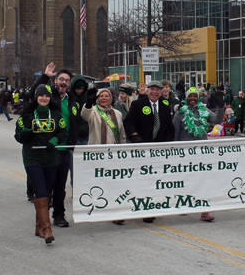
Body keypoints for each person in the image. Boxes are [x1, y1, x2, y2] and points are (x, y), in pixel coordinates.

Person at [15, 84, 67, 244]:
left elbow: (63, 132)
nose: (44, 98)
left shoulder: (56, 114)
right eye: (41, 96)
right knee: (40, 190)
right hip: (33, 157)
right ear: (36, 97)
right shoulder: (27, 116)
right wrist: (26, 130)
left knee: (47, 190)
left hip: (51, 157)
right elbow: (18, 138)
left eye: (46, 96)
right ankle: (47, 229)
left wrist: (55, 139)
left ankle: (39, 226)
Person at [30, 63, 80, 227]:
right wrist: (44, 77)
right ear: (56, 81)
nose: (63, 83)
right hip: (48, 148)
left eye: (67, 80)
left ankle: (59, 215)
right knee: (46, 186)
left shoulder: (72, 101)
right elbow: (33, 94)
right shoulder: (49, 97)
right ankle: (42, 219)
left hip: (64, 149)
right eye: (61, 79)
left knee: (60, 186)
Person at [123, 80, 174, 223]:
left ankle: (151, 208)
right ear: (148, 90)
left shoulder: (164, 106)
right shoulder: (138, 104)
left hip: (158, 151)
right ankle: (141, 206)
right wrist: (135, 137)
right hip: (142, 149)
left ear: (161, 91)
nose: (154, 92)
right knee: (142, 180)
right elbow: (128, 122)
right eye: (152, 89)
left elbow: (169, 127)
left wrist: (167, 144)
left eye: (157, 89)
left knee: (155, 181)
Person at [173, 87, 224, 221]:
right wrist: (174, 152)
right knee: (186, 180)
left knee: (203, 180)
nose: (193, 99)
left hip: (202, 152)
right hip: (185, 153)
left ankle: (204, 210)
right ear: (186, 98)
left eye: (195, 96)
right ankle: (184, 204)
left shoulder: (204, 110)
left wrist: (220, 106)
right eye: (190, 96)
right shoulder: (180, 113)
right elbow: (175, 134)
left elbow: (218, 120)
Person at [82, 87, 127, 225]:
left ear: (111, 98)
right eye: (101, 96)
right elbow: (85, 115)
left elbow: (121, 134)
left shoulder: (117, 113)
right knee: (98, 182)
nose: (104, 98)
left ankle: (115, 211)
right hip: (97, 153)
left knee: (114, 183)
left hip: (113, 154)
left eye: (106, 95)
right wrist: (88, 103)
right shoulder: (94, 111)